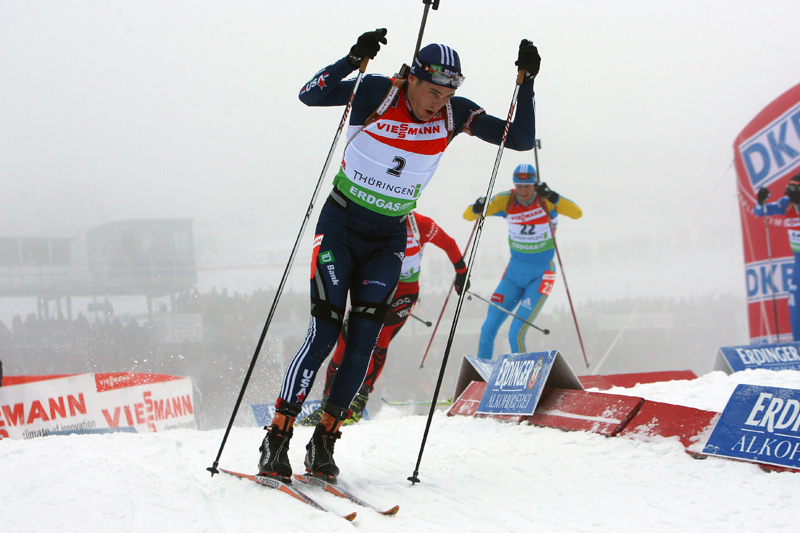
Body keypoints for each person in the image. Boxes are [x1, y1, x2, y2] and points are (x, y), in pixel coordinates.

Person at [258, 28, 540, 484]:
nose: (437, 102)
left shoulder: (454, 114)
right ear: (412, 77)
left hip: (388, 238)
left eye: (447, 93)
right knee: (325, 333)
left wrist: (526, 84)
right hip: (342, 225)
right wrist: (353, 58)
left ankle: (324, 441)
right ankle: (277, 434)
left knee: (364, 344)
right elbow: (311, 96)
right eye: (432, 90)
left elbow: (520, 139)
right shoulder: (377, 92)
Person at [300, 211, 468, 427]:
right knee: (343, 343)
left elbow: (448, 243)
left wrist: (462, 272)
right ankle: (327, 404)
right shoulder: (373, 219)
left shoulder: (420, 225)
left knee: (379, 337)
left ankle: (358, 402)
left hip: (404, 293)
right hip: (373, 289)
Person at [463, 163, 581, 359]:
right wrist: (477, 206)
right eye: (519, 186)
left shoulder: (546, 200)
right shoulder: (505, 200)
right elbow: (468, 216)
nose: (523, 191)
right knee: (487, 329)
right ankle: (481, 378)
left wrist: (552, 196)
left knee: (515, 333)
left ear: (534, 185)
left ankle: (524, 383)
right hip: (514, 273)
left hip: (542, 274)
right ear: (514, 185)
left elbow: (577, 213)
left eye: (527, 186)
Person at [755, 171, 800, 340]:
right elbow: (761, 211)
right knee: (795, 304)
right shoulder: (786, 203)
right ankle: (798, 348)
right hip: (798, 263)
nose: (794, 203)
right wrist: (761, 201)